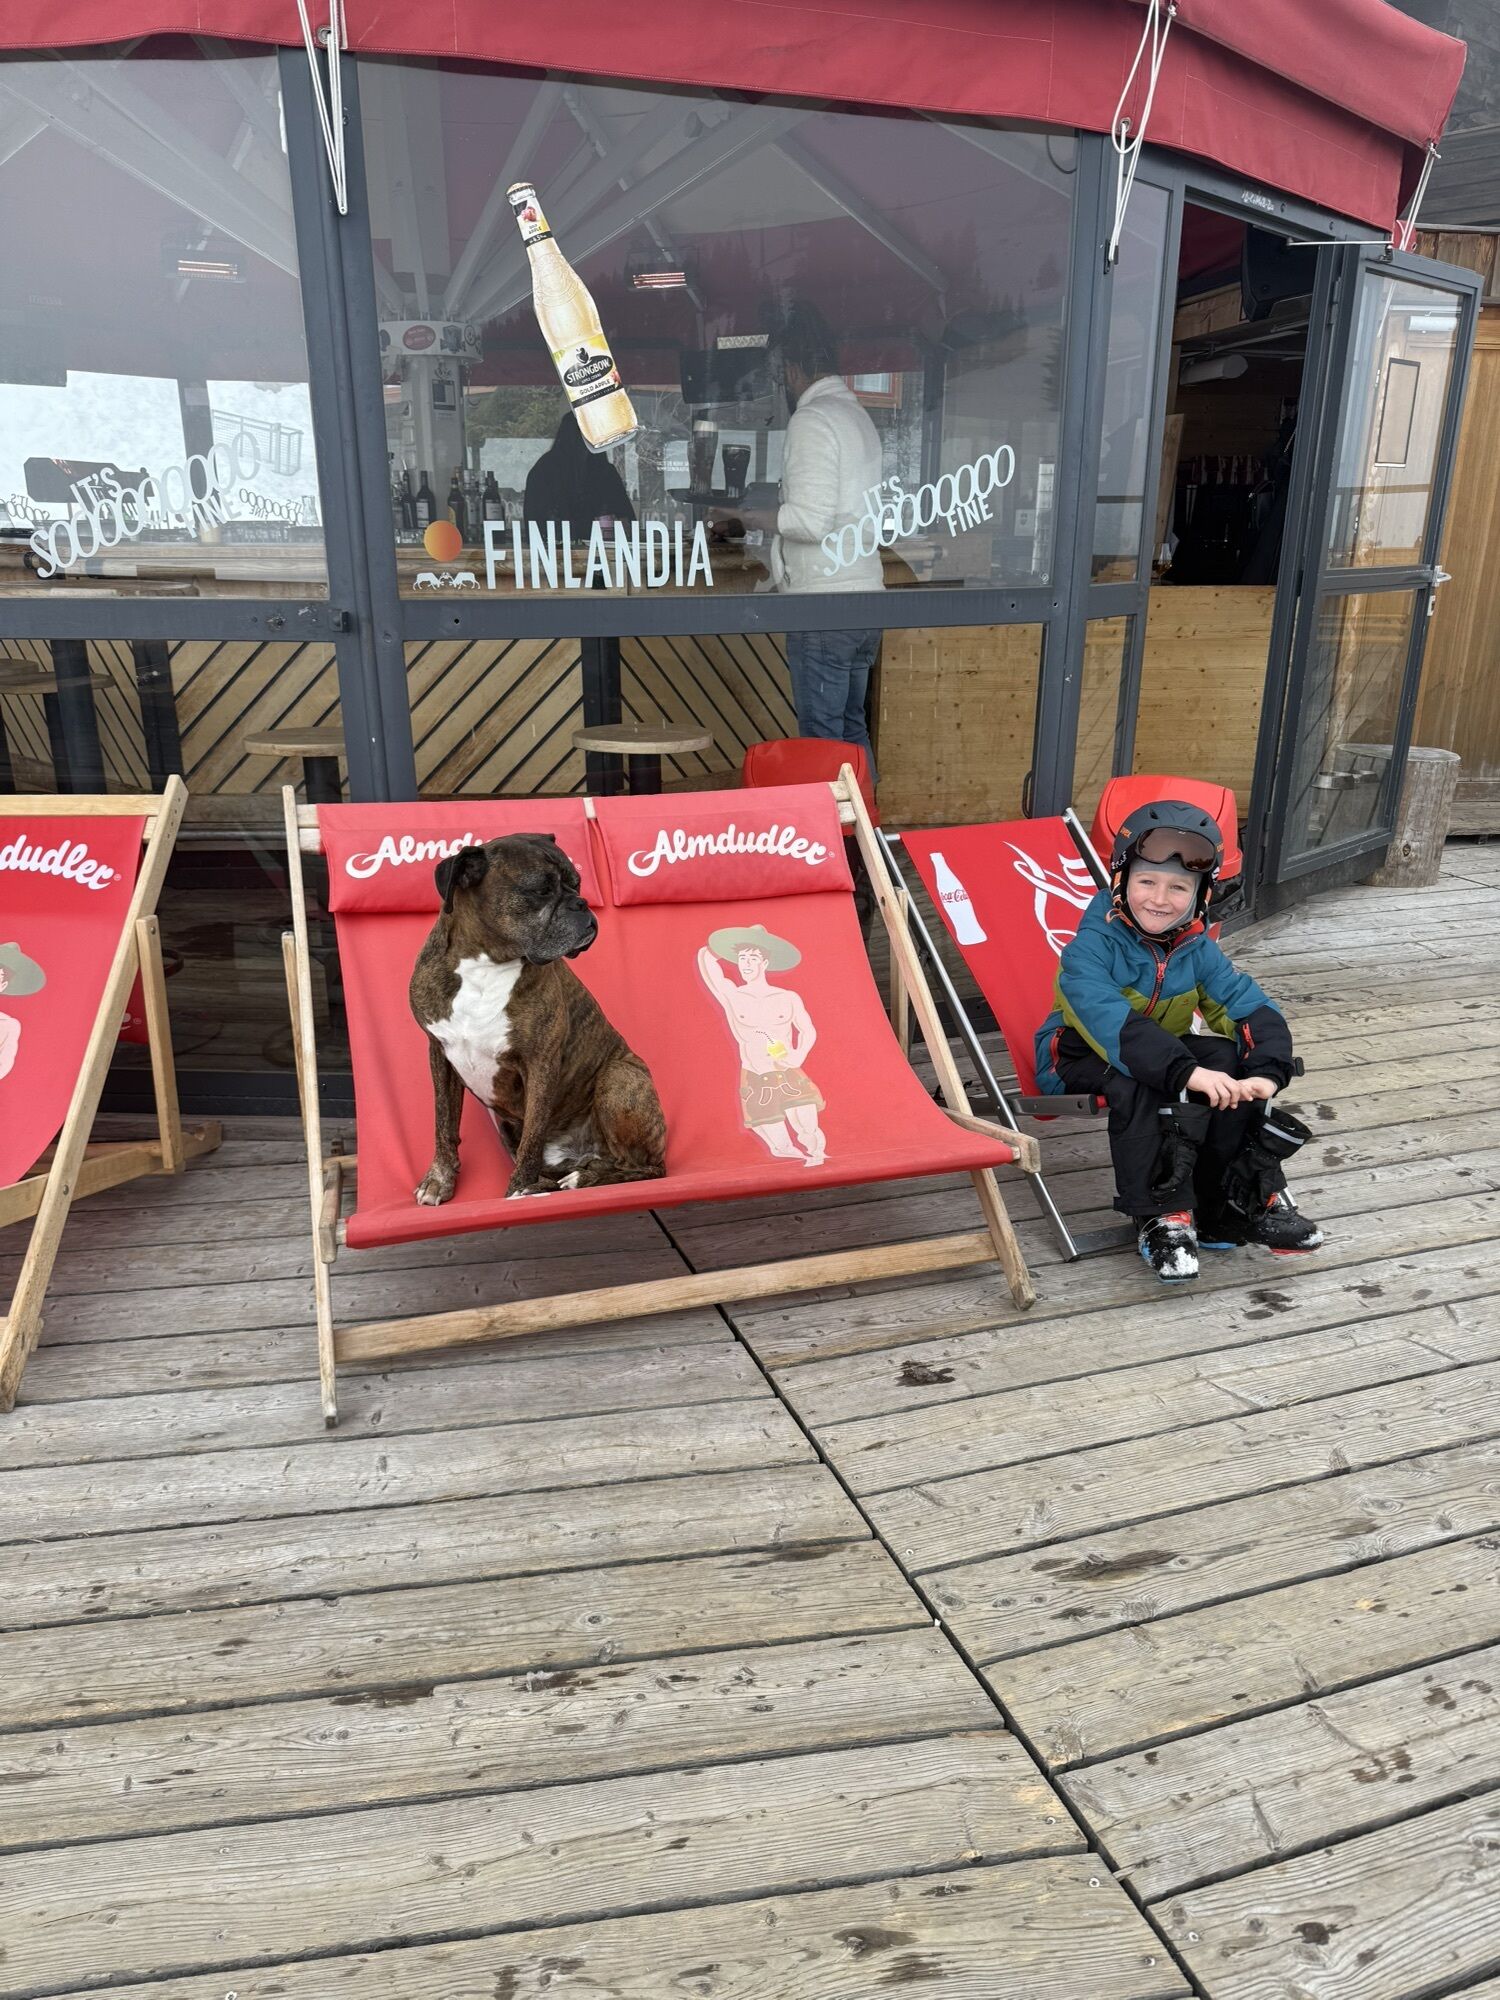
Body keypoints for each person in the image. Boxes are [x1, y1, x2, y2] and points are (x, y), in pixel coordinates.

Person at [1033, 800, 1324, 1282]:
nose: (1160, 899)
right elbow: (1112, 1025)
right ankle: (1160, 1215)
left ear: (1200, 894)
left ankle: (1227, 1205)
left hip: (1160, 1052)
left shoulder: (1196, 948)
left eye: (1179, 887)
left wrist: (1266, 1072)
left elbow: (1249, 1006)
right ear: (1120, 881)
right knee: (1140, 1082)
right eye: (1147, 881)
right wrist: (1187, 1072)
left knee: (1228, 1057)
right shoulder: (1089, 948)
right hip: (1076, 1054)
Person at [769, 302, 886, 777]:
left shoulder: (812, 420)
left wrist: (747, 516)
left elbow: (809, 522)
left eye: (782, 374)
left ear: (792, 369)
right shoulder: (856, 416)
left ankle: (830, 827)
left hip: (824, 603)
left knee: (820, 738)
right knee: (852, 730)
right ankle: (865, 820)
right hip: (864, 598)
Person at [697, 924, 827, 1166]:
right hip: (756, 1077)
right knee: (782, 1147)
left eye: (753, 958)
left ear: (765, 963)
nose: (746, 964)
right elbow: (706, 960)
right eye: (742, 958)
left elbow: (807, 1029)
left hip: (787, 1072)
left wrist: (798, 1054)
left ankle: (819, 1160)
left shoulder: (787, 997)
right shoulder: (732, 996)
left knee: (809, 1132)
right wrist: (739, 937)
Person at [523, 411, 636, 532]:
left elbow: (627, 521)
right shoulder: (545, 472)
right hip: (564, 543)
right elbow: (537, 523)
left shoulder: (604, 472)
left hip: (593, 542)